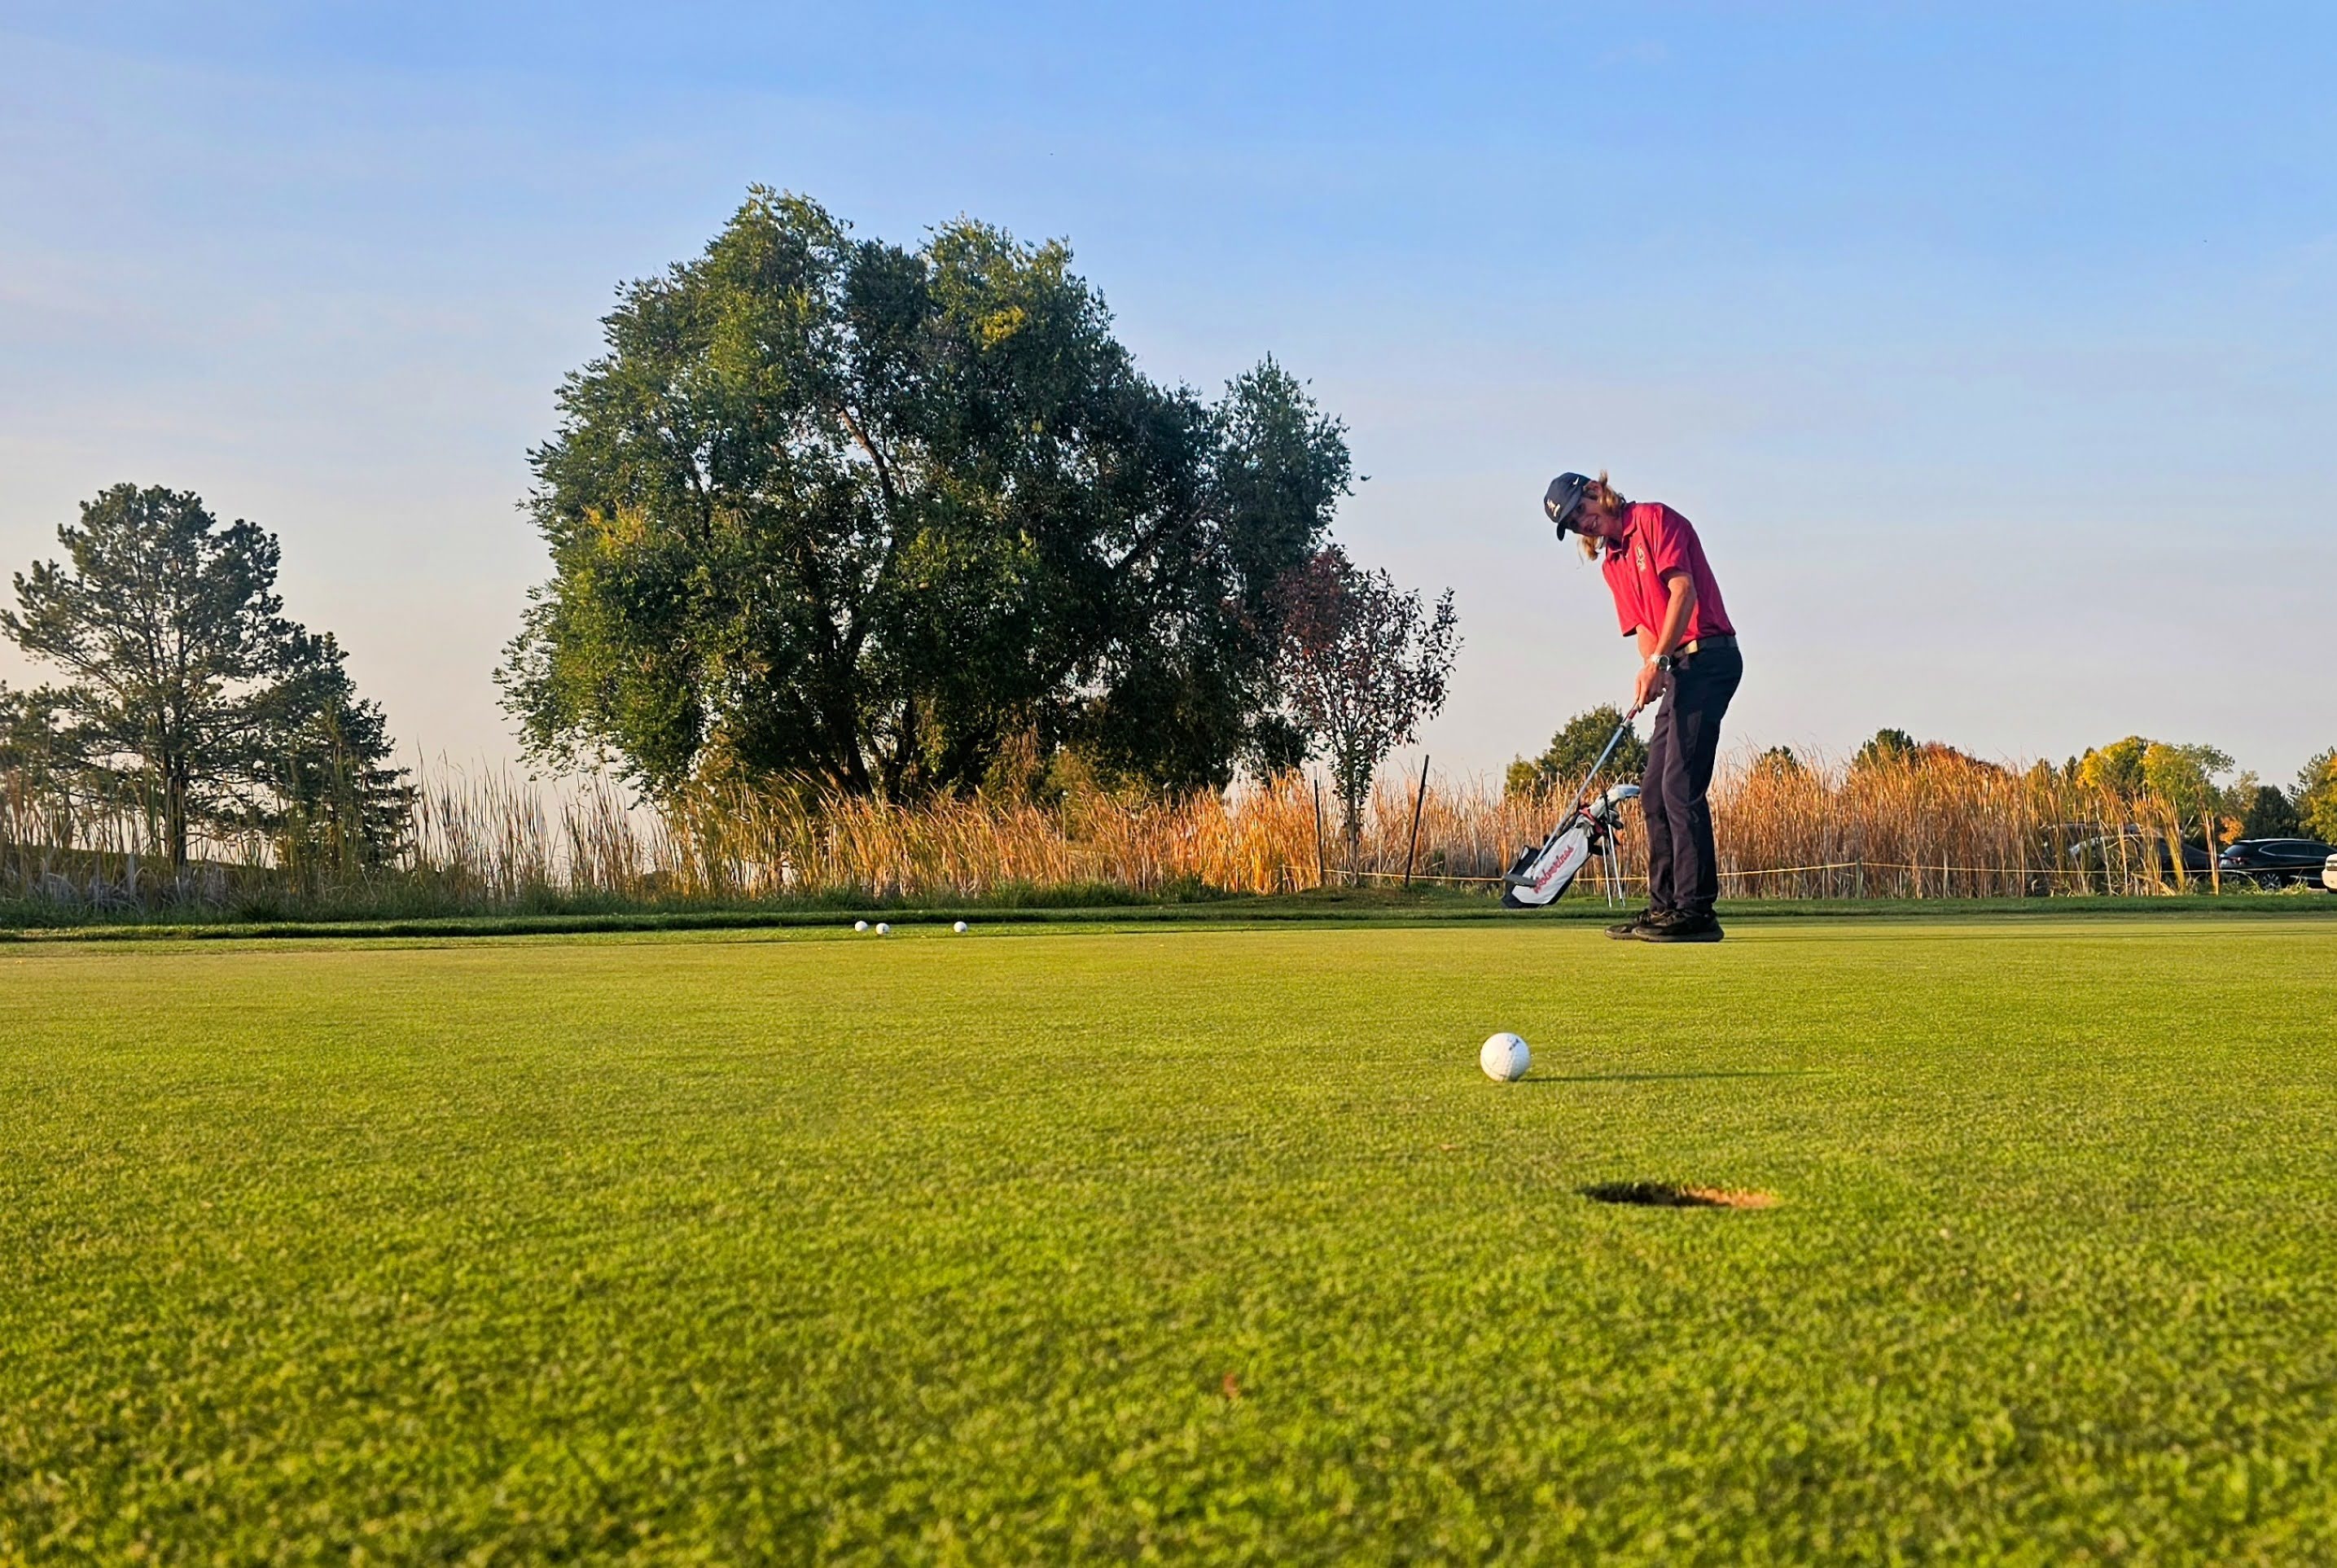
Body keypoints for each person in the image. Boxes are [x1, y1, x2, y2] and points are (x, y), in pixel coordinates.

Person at [1543, 471, 1743, 943]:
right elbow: (1647, 631)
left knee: (1680, 786)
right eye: (1572, 523)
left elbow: (1683, 592)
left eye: (1581, 510)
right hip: (1679, 668)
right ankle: (1664, 907)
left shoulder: (1655, 519)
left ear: (1597, 491)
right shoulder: (1612, 564)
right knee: (1653, 791)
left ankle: (1696, 911)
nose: (1582, 523)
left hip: (1711, 658)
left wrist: (1658, 663)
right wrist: (1651, 670)